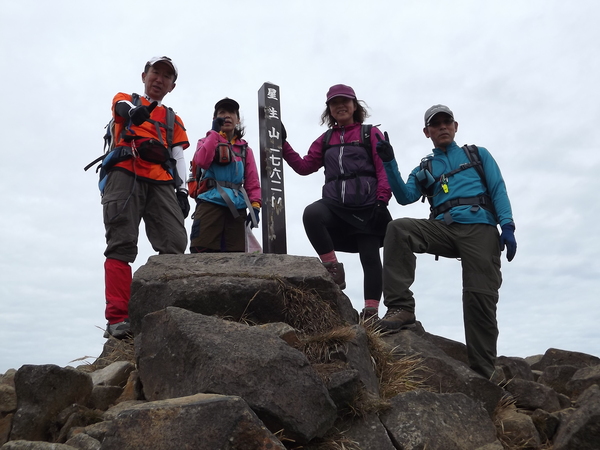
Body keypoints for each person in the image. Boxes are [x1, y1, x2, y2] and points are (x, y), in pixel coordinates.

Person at [375, 104, 517, 378]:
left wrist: (507, 226)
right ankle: (401, 307)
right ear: (427, 132)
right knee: (398, 229)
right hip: (442, 229)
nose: (442, 127)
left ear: (455, 126)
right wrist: (389, 162)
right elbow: (405, 197)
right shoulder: (425, 167)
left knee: (479, 298)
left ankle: (483, 375)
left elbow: (498, 188)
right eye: (435, 124)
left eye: (446, 122)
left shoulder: (477, 155)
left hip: (480, 229)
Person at [281, 84, 392, 321]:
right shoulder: (325, 139)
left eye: (345, 101)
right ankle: (333, 269)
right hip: (335, 204)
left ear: (354, 105)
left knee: (370, 257)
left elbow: (383, 169)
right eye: (334, 103)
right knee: (312, 214)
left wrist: (382, 201)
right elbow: (304, 167)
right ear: (329, 109)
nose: (340, 106)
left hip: (367, 204)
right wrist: (282, 144)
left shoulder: (370, 133)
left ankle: (371, 312)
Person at [101, 56, 190, 339]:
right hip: (124, 172)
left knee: (175, 243)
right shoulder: (126, 99)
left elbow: (178, 154)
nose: (159, 79)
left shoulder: (173, 118)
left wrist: (183, 190)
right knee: (121, 243)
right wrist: (133, 113)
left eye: (166, 76)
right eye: (155, 72)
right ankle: (117, 320)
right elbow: (121, 107)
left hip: (162, 180)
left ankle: (166, 313)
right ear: (144, 75)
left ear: (172, 86)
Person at [189, 98, 261, 253]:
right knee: (200, 252)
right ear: (215, 119)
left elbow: (252, 181)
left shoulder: (245, 150)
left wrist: (255, 206)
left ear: (238, 119)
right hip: (209, 202)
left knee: (236, 258)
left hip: (237, 208)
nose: (227, 116)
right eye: (222, 112)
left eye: (231, 113)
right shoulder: (205, 141)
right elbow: (201, 161)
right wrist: (214, 133)